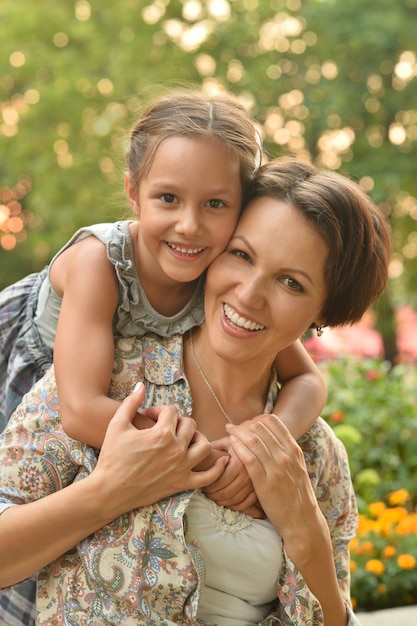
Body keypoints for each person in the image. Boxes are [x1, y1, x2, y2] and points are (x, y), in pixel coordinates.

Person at [0, 158, 390, 625]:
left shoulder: (315, 453)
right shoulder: (112, 382)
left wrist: (308, 534)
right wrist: (110, 491)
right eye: (241, 255)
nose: (248, 295)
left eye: (291, 282)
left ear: (322, 313)